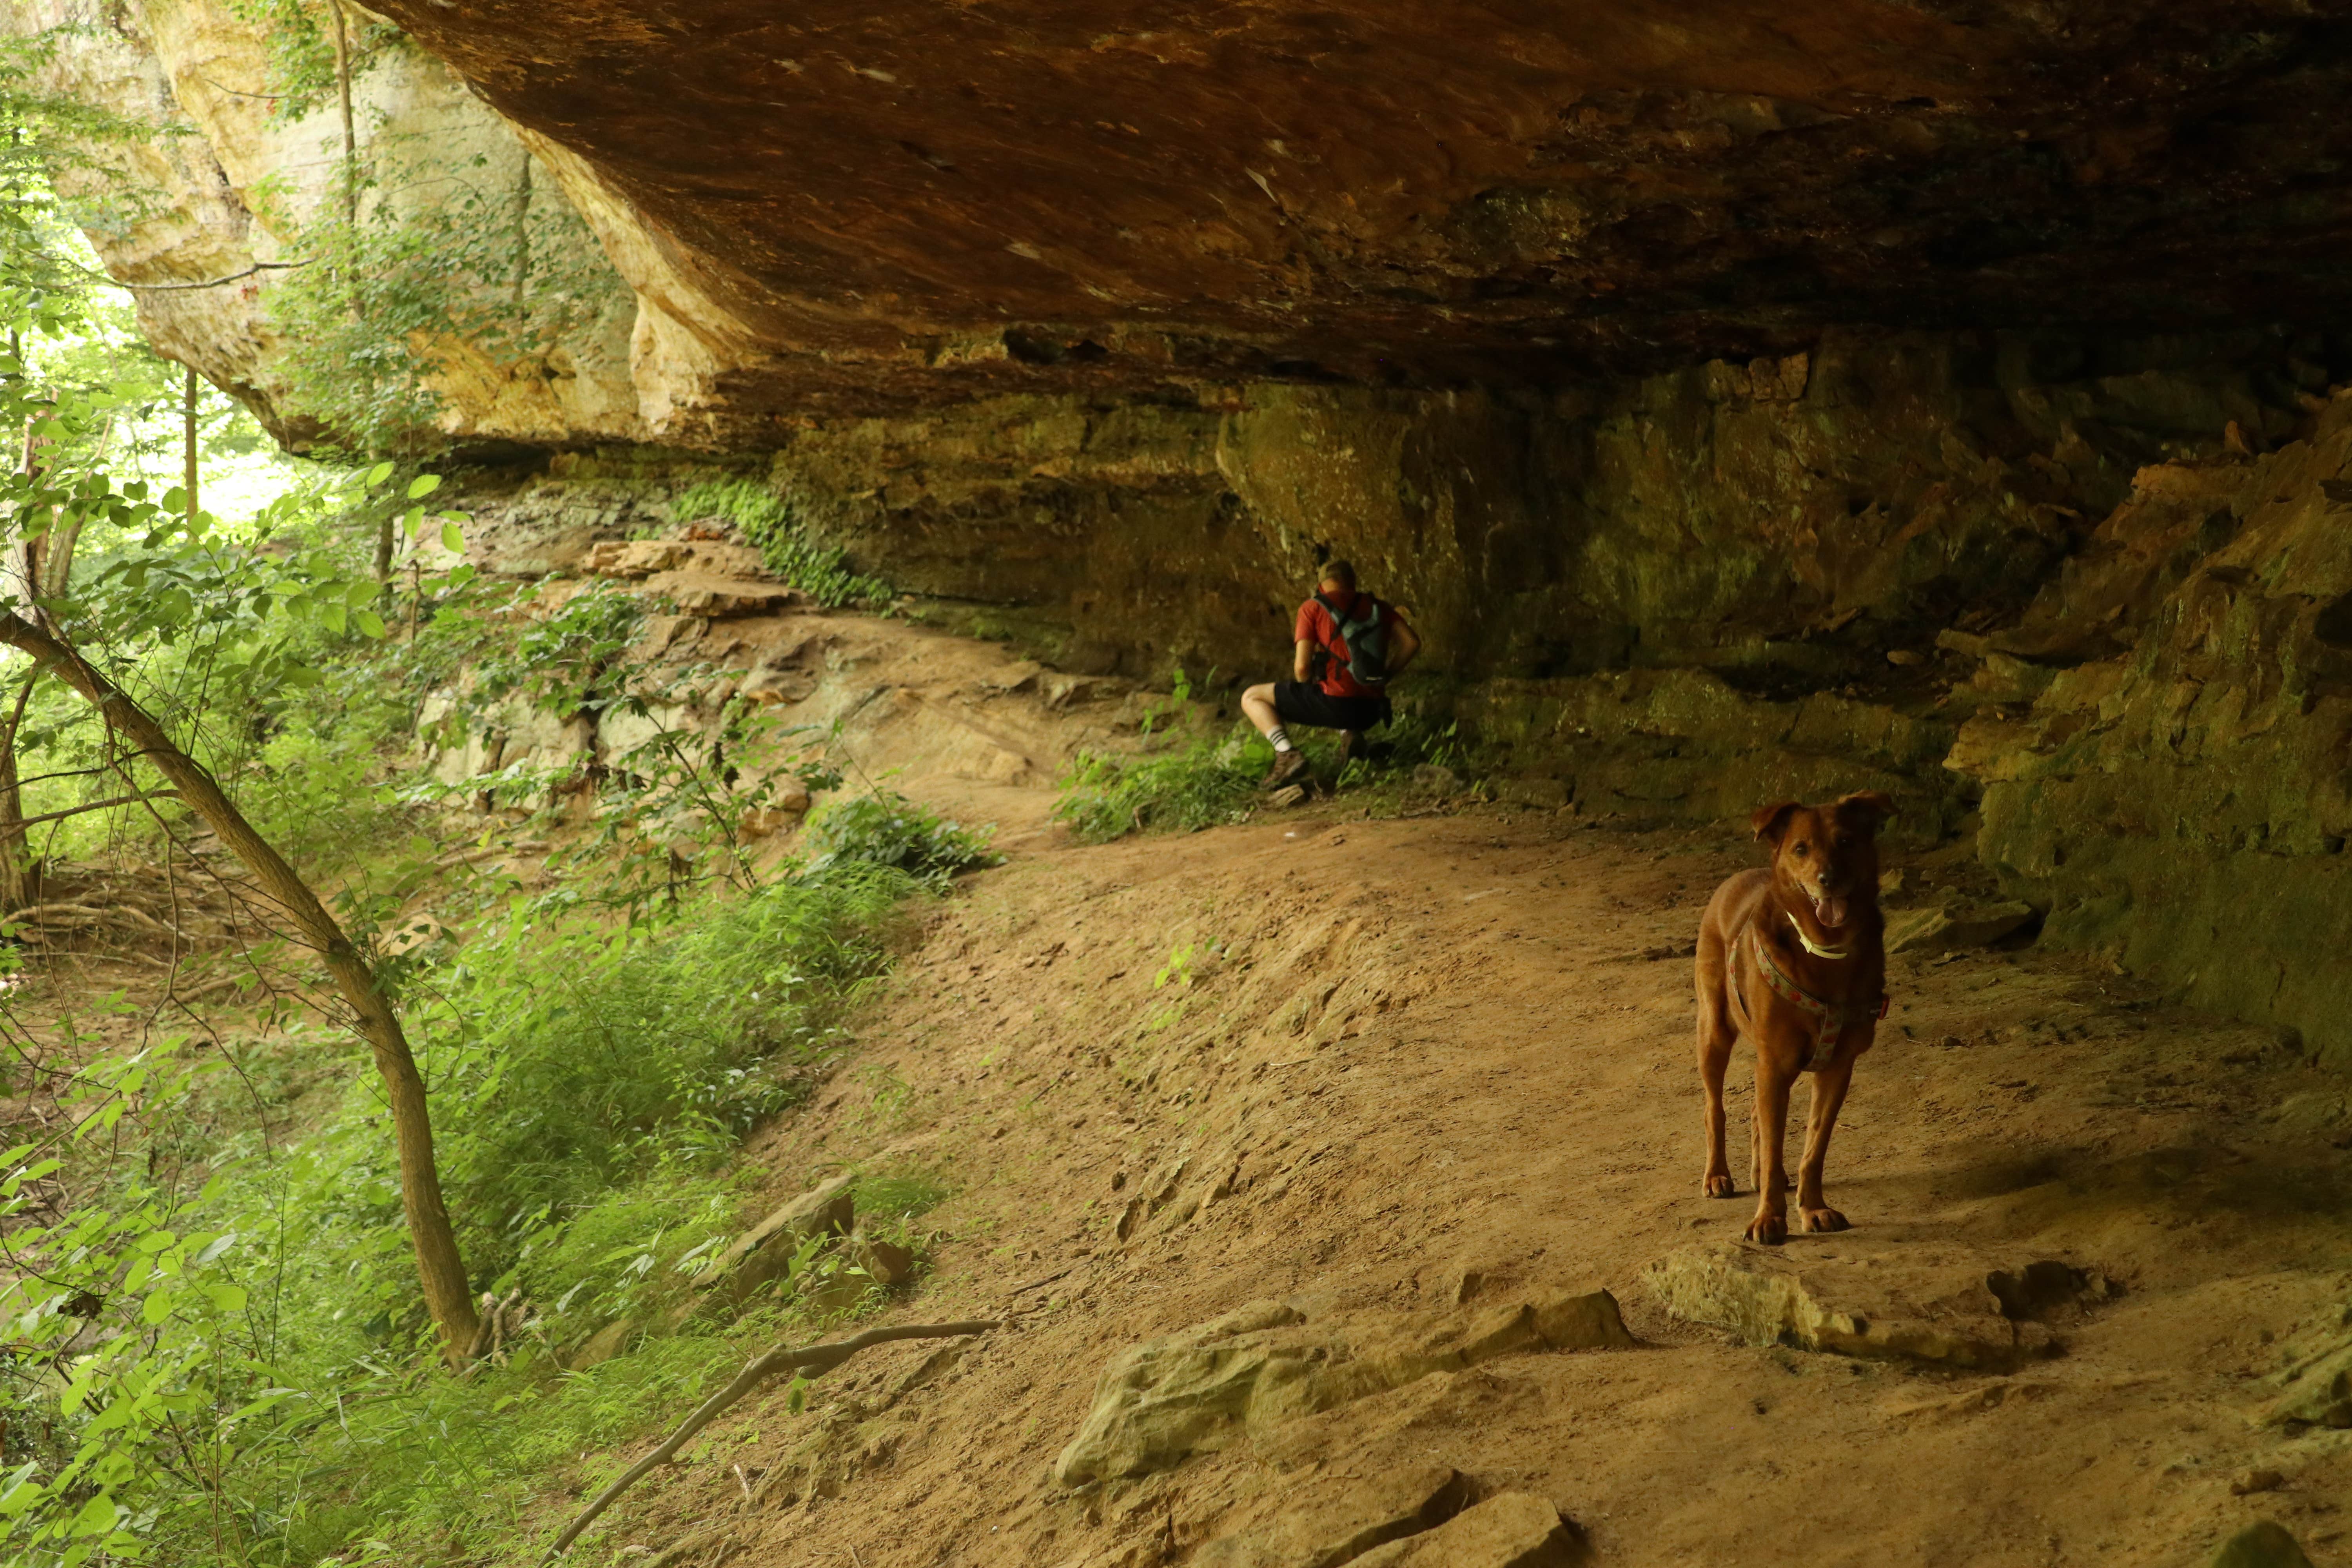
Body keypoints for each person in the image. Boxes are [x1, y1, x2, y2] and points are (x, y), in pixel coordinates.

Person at [1241, 560, 1420, 788]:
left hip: (1337, 707)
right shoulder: (1379, 607)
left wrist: (1306, 686)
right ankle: (1350, 735)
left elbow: (1302, 668)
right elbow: (1412, 643)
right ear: (1353, 582)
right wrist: (1387, 676)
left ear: (1322, 586)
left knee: (1252, 696)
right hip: (1373, 709)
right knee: (1334, 682)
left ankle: (1286, 753)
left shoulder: (1313, 608)